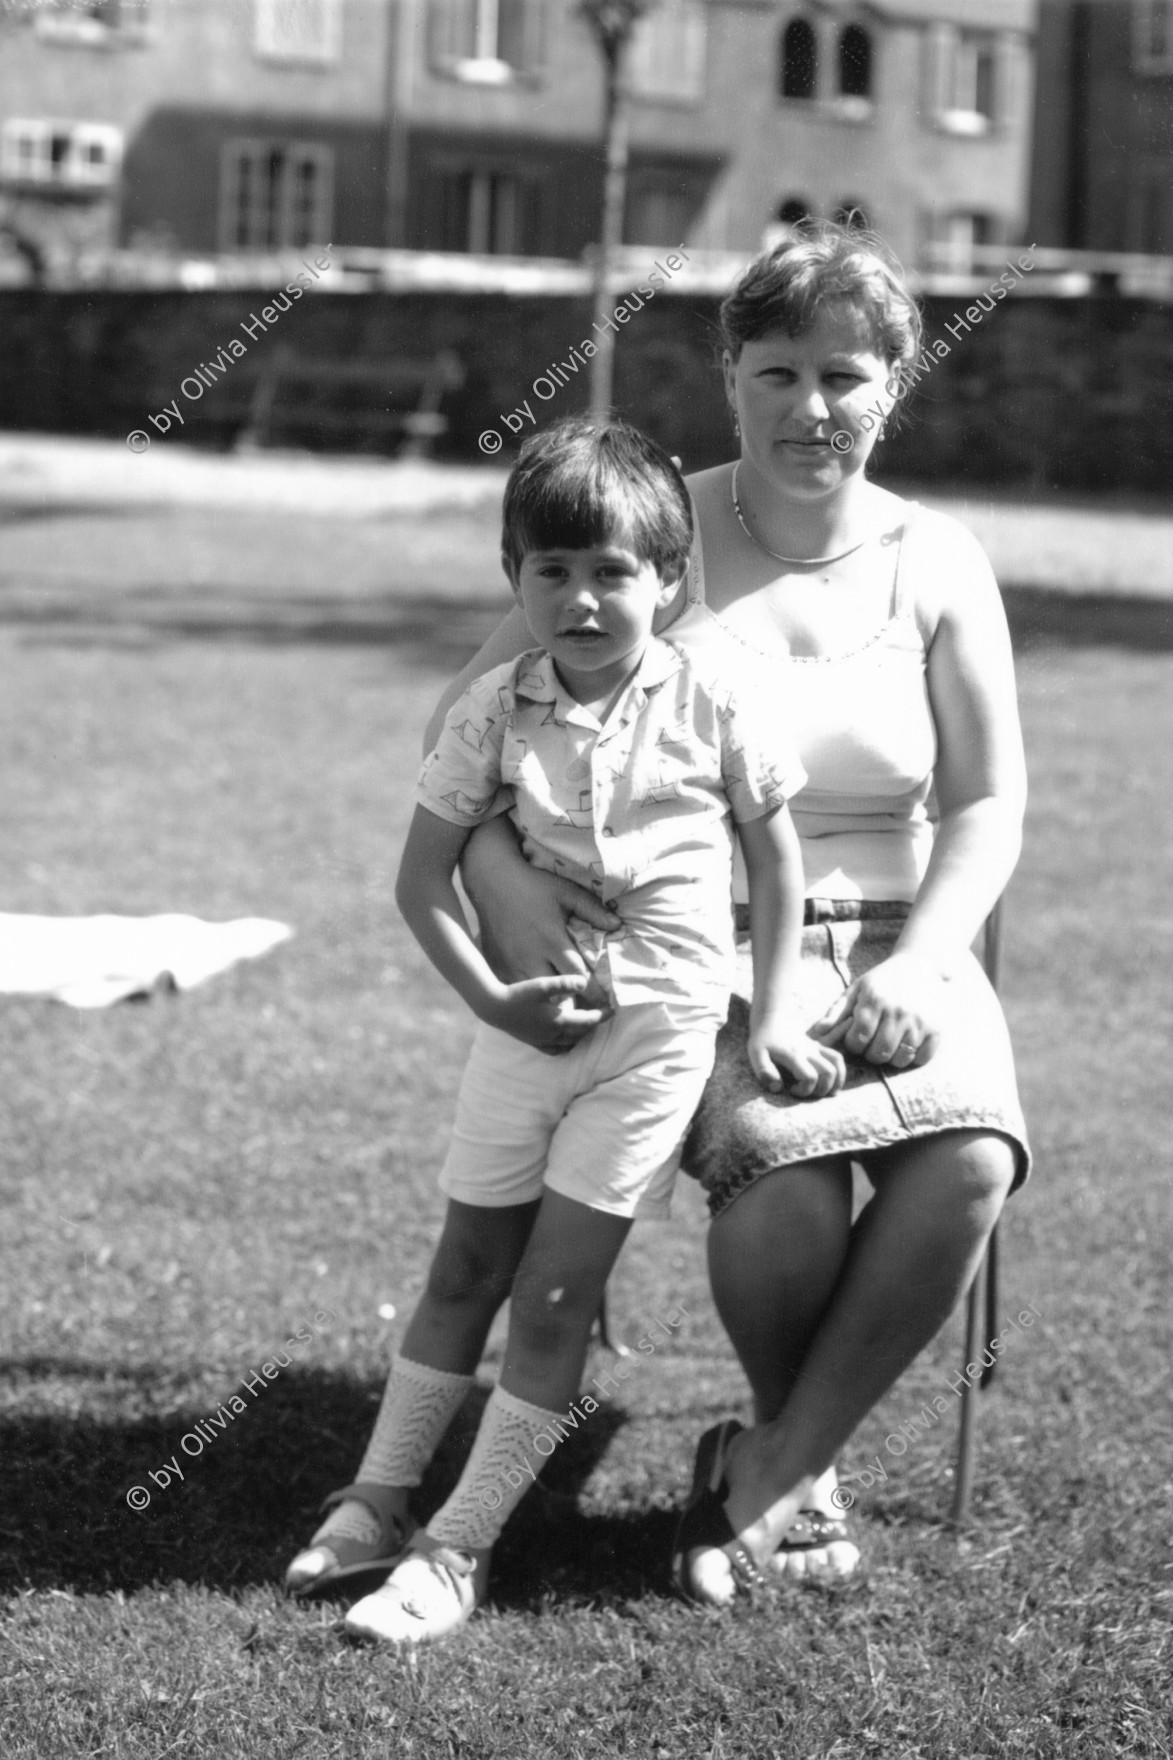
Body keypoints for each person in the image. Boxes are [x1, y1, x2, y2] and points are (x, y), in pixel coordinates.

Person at [373, 220, 1031, 1605]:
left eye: (846, 376)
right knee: (779, 1183)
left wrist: (921, 964)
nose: (811, 408)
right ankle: (795, 1474)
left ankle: (772, 1462)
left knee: (968, 1164)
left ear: (896, 384)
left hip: (904, 934)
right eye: (777, 370)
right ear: (727, 373)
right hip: (692, 947)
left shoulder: (942, 561)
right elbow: (467, 730)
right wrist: (500, 881)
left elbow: (983, 804)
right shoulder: (655, 541)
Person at [285, 417, 843, 1643]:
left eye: (613, 573)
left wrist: (784, 1002)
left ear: (670, 581)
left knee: (548, 1298)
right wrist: (494, 998)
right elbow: (420, 879)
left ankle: (458, 1547)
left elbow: (777, 859)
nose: (583, 600)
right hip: (521, 1038)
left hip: (656, 1044)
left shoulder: (714, 695)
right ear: (513, 577)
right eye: (552, 571)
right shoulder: (494, 707)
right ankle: (375, 1499)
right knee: (463, 1271)